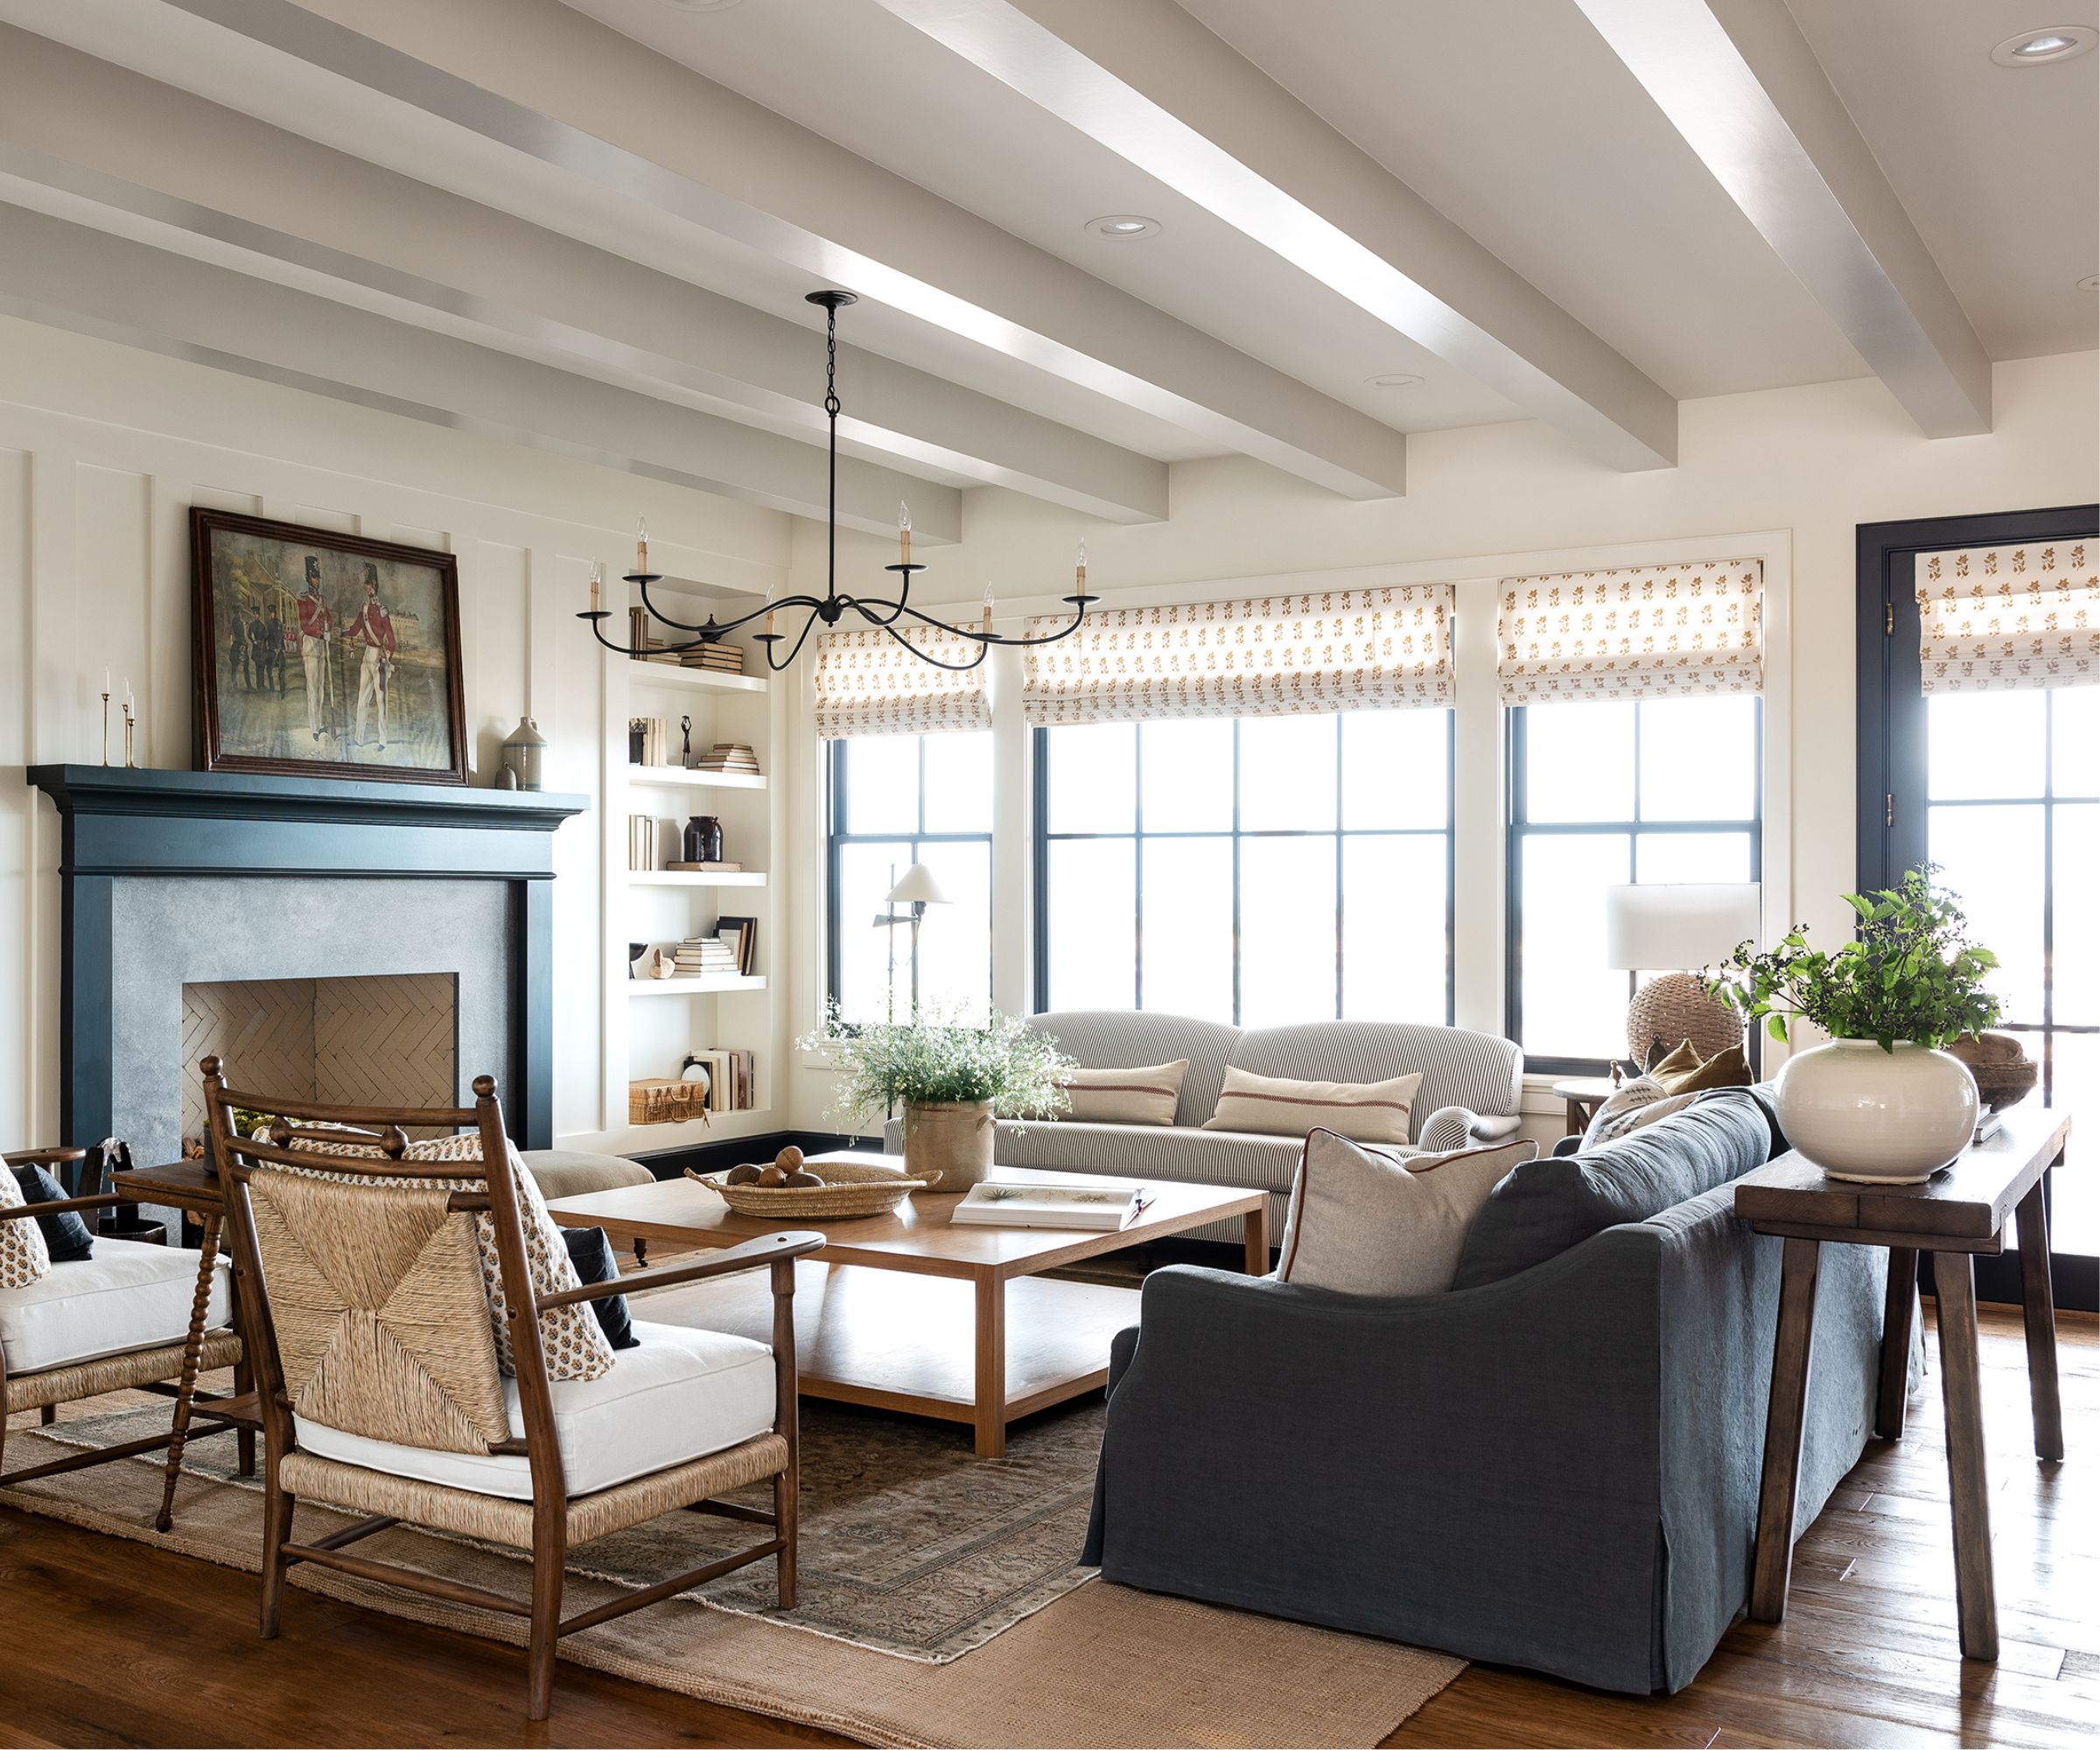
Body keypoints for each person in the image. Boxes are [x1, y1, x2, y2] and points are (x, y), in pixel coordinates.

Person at [346, 561, 396, 749]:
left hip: (379, 656)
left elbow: (392, 641)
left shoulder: (383, 611)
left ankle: (382, 740)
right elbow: (355, 629)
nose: (368, 587)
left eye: (370, 583)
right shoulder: (365, 609)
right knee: (362, 698)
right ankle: (359, 738)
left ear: (375, 585)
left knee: (381, 700)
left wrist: (386, 657)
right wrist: (341, 633)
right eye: (366, 584)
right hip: (367, 655)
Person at [296, 556, 332, 741]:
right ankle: (313, 728)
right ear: (308, 578)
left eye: (318, 577)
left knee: (321, 686)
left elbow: (330, 620)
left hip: (321, 644)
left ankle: (320, 722)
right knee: (312, 687)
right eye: (314, 577)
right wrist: (320, 629)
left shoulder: (323, 600)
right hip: (310, 642)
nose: (317, 580)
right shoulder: (303, 599)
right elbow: (304, 625)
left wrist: (328, 628)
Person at [262, 600, 287, 693]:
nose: (272, 614)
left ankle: (279, 689)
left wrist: (280, 647)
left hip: (276, 649)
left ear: (274, 613)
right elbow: (271, 636)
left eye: (273, 613)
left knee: (277, 669)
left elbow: (279, 636)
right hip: (275, 649)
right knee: (273, 669)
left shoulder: (274, 623)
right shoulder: (273, 623)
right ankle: (276, 689)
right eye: (271, 613)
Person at [227, 603, 251, 691]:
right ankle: (235, 686)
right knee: (235, 666)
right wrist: (245, 628)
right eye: (240, 612)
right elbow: (240, 634)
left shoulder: (240, 621)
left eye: (241, 612)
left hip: (242, 645)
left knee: (245, 665)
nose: (242, 614)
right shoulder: (236, 621)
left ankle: (248, 686)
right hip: (238, 646)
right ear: (237, 613)